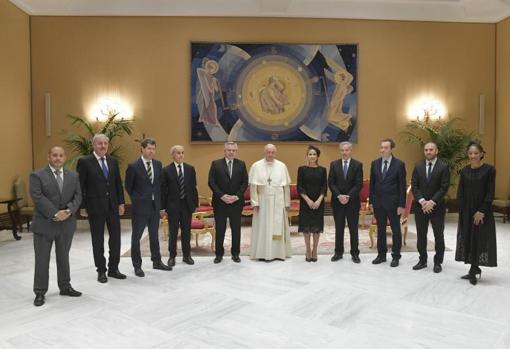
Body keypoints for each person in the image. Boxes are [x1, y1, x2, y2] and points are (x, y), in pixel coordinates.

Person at [30, 146, 83, 306]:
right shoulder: (37, 175)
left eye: (60, 155)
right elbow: (37, 197)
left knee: (63, 257)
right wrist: (55, 213)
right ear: (49, 157)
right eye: (54, 155)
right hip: (44, 225)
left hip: (66, 225)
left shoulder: (73, 176)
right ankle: (40, 292)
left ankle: (65, 286)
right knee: (42, 260)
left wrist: (68, 211)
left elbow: (78, 195)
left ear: (65, 157)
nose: (58, 158)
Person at [77, 134, 126, 283]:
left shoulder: (112, 161)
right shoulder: (85, 162)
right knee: (97, 240)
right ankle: (101, 271)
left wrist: (121, 203)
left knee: (116, 239)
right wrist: (82, 206)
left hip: (112, 206)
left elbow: (118, 183)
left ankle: (113, 269)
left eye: (105, 143)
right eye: (100, 143)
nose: (103, 146)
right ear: (93, 145)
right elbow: (80, 186)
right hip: (94, 207)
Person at [125, 138, 172, 277]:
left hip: (154, 207)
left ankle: (156, 261)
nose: (151, 151)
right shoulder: (133, 166)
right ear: (142, 149)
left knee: (154, 236)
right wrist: (137, 199)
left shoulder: (158, 164)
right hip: (140, 207)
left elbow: (159, 186)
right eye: (149, 149)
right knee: (136, 237)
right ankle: (137, 266)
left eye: (153, 149)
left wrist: (161, 206)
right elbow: (129, 186)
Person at [455, 141, 497, 285]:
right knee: (468, 238)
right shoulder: (465, 170)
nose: (473, 156)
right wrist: (461, 209)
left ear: (481, 154)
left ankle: (474, 270)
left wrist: (481, 211)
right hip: (466, 210)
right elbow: (460, 191)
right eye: (470, 153)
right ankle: (474, 268)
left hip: (481, 211)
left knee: (479, 239)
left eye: (476, 153)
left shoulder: (489, 170)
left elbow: (490, 193)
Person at [411, 142, 450, 273]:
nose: (428, 152)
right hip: (420, 207)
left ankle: (438, 262)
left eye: (431, 150)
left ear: (436, 151)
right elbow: (414, 185)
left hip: (437, 207)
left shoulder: (444, 166)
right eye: (426, 150)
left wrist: (432, 202)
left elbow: (444, 187)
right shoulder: (418, 166)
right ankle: (422, 260)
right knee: (421, 235)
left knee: (438, 235)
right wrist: (422, 201)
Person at [249, 144, 292, 261]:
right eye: (268, 152)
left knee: (277, 227)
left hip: (278, 200)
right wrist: (255, 202)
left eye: (272, 152)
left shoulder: (282, 166)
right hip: (262, 201)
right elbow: (253, 187)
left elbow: (286, 187)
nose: (270, 155)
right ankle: (262, 253)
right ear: (264, 152)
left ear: (275, 153)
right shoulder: (256, 166)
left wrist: (287, 203)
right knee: (263, 226)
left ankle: (278, 253)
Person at [208, 141, 248, 264]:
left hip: (236, 203)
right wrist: (222, 196)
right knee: (220, 229)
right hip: (220, 203)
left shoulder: (241, 164)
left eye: (234, 150)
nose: (231, 152)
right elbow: (211, 182)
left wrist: (236, 196)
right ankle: (219, 254)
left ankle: (235, 253)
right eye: (229, 150)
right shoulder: (216, 164)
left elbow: (244, 183)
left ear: (236, 151)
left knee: (236, 229)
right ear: (224, 151)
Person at [369, 138, 406, 267]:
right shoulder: (375, 163)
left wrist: (402, 205)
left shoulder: (399, 164)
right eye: (381, 147)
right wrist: (371, 203)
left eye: (385, 147)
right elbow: (372, 185)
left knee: (396, 230)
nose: (382, 150)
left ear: (391, 149)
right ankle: (381, 255)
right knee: (380, 230)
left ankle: (396, 256)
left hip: (394, 204)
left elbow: (402, 186)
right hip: (378, 204)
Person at [161, 145, 199, 267]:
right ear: (173, 155)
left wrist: (194, 204)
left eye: (182, 153)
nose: (181, 155)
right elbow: (163, 191)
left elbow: (193, 188)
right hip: (172, 206)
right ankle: (172, 256)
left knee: (186, 232)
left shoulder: (190, 169)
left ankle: (187, 256)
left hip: (187, 206)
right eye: (178, 153)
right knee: (173, 232)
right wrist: (163, 208)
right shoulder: (166, 170)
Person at [328, 141, 363, 264]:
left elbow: (359, 184)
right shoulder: (334, 164)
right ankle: (338, 252)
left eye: (346, 150)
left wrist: (347, 196)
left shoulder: (358, 165)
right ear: (340, 151)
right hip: (338, 203)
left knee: (353, 229)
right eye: (342, 150)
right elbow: (331, 183)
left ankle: (355, 253)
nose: (344, 152)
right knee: (339, 228)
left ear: (350, 150)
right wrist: (339, 196)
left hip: (352, 202)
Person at [297, 145, 327, 262]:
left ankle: (315, 250)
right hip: (305, 202)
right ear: (307, 156)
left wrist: (319, 200)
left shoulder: (322, 170)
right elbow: (300, 186)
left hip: (319, 202)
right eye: (310, 154)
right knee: (306, 227)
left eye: (314, 154)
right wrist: (308, 200)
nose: (312, 156)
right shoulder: (302, 169)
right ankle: (308, 250)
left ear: (317, 156)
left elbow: (324, 186)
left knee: (316, 227)